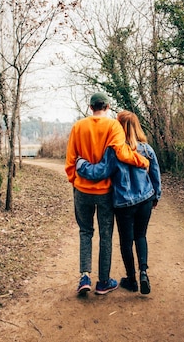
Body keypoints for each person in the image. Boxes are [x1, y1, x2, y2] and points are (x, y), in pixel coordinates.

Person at [65, 93, 150, 296]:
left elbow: (70, 159)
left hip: (82, 191)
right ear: (108, 106)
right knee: (105, 235)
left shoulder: (78, 126)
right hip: (105, 192)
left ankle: (84, 276)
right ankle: (103, 282)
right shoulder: (114, 126)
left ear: (90, 107)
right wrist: (143, 161)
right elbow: (122, 153)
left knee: (85, 232)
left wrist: (75, 181)